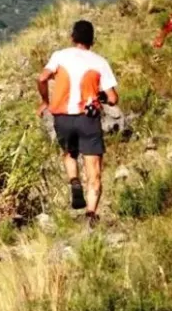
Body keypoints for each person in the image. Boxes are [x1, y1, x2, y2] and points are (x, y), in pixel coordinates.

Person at [36, 20, 119, 227]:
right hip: (87, 119)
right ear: (92, 40)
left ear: (72, 38)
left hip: (62, 117)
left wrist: (46, 101)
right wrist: (101, 96)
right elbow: (113, 98)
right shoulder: (99, 62)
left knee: (69, 153)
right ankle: (91, 214)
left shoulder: (60, 56)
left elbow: (42, 78)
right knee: (94, 169)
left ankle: (74, 181)